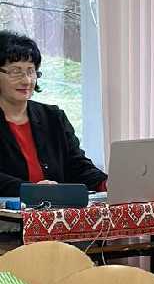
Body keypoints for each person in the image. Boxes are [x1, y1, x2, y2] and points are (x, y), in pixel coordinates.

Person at [0, 30, 106, 196]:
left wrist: (105, 183)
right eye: (15, 71)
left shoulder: (53, 117)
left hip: (55, 209)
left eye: (31, 71)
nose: (26, 80)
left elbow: (77, 166)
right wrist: (31, 190)